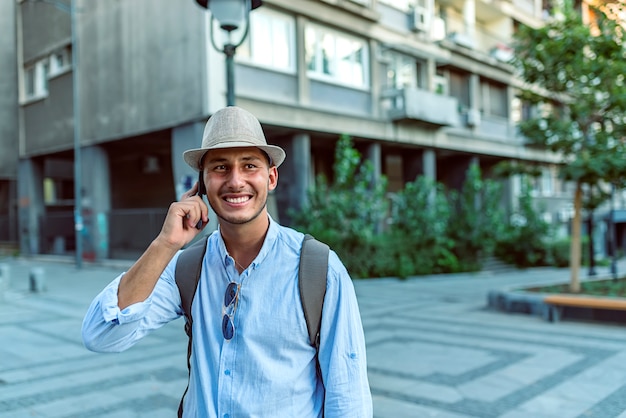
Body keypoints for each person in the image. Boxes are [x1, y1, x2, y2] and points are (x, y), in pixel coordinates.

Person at [81, 106, 373, 417]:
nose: (235, 181)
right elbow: (101, 335)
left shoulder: (317, 268)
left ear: (271, 177)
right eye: (220, 168)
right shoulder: (187, 267)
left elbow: (348, 394)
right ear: (202, 185)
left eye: (249, 165)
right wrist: (165, 244)